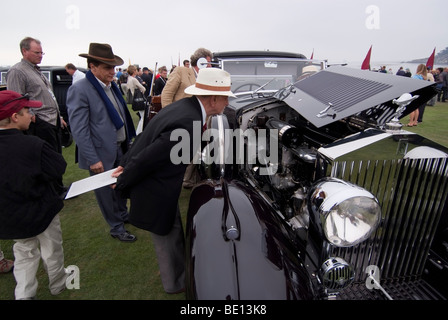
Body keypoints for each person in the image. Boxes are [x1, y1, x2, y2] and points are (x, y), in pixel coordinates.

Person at [112, 68, 235, 294]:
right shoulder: (189, 122)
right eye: (226, 97)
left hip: (160, 182)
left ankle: (180, 274)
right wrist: (124, 179)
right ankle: (176, 284)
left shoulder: (185, 108)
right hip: (155, 186)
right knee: (166, 234)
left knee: (172, 229)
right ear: (214, 98)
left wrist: (125, 163)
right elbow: (150, 158)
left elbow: (146, 137)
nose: (227, 102)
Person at [0, 90, 67, 300]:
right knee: (52, 249)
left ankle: (24, 294)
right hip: (42, 210)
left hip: (11, 216)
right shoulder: (32, 145)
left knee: (24, 253)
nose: (31, 115)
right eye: (27, 110)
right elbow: (58, 167)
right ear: (14, 116)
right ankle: (58, 284)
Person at [66, 43, 137, 242]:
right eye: (107, 67)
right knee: (105, 192)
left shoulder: (111, 86)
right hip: (100, 153)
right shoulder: (80, 89)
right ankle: (116, 227)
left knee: (120, 184)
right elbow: (79, 128)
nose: (112, 72)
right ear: (92, 67)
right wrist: (92, 158)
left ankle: (123, 216)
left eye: (113, 67)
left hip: (120, 147)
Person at [6, 37, 67, 197]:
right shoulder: (18, 71)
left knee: (55, 155)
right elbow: (16, 99)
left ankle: (58, 187)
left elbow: (48, 96)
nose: (41, 55)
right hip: (40, 122)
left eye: (42, 52)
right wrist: (33, 119)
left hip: (51, 120)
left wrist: (58, 117)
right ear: (24, 51)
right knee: (44, 157)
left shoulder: (35, 70)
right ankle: (52, 190)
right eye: (37, 52)